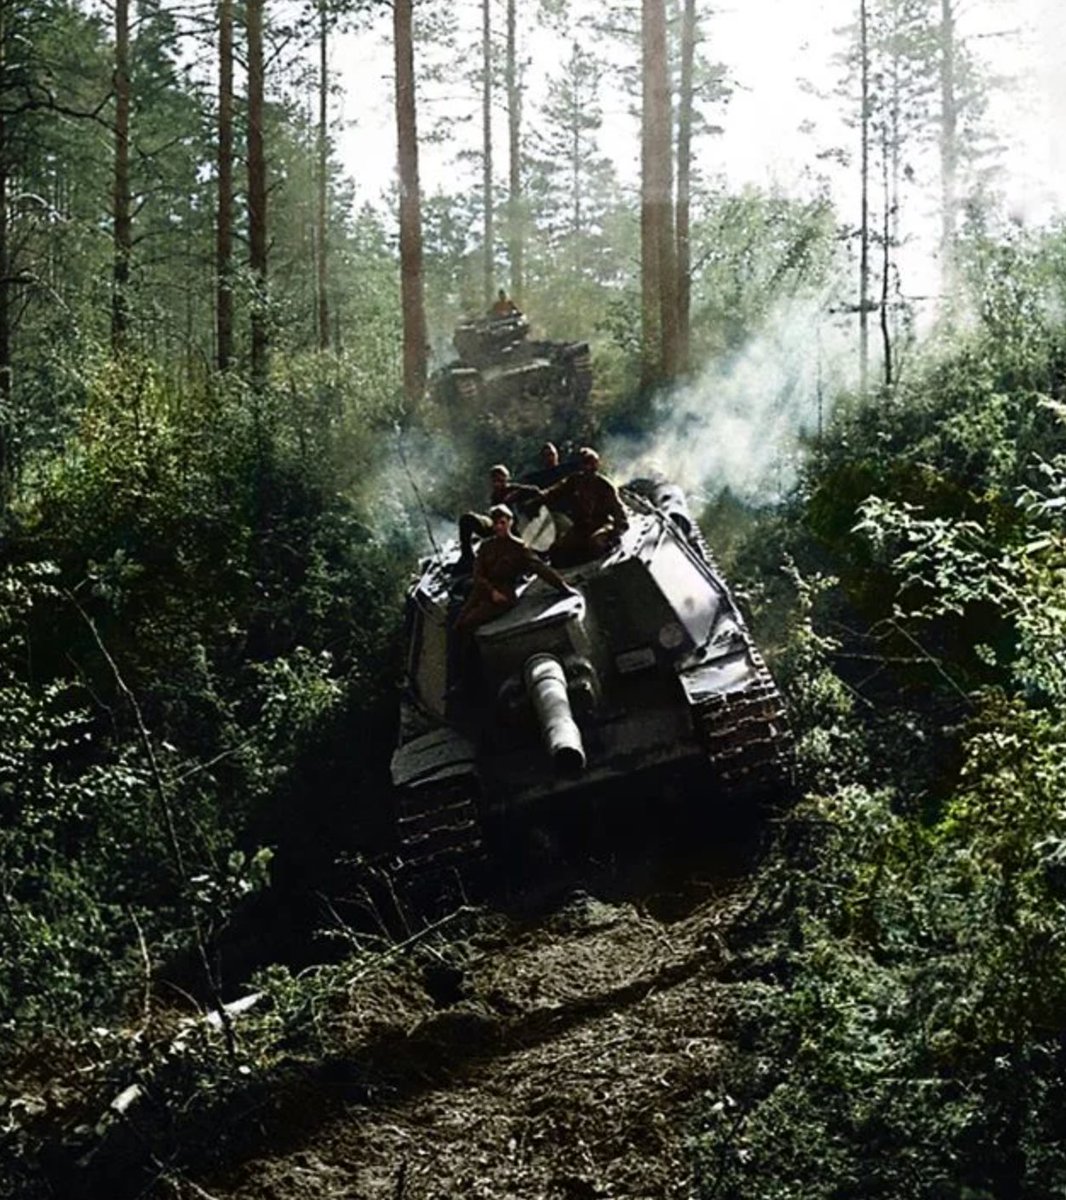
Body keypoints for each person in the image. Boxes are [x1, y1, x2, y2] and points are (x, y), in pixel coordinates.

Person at [454, 504, 576, 633]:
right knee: (457, 623)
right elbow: (478, 575)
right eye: (496, 524)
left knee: (469, 622)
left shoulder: (519, 548)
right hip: (482, 592)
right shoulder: (486, 546)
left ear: (510, 522)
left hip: (503, 595)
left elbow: (541, 569)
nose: (499, 527)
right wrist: (490, 591)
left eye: (502, 523)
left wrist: (564, 588)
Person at [541, 446, 630, 567]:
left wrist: (615, 531)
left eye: (591, 463)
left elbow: (619, 513)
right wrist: (537, 496)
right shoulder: (573, 481)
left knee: (596, 542)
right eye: (585, 464)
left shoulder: (604, 485)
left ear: (596, 464)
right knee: (557, 550)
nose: (588, 467)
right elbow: (554, 492)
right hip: (581, 527)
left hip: (602, 523)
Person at [454, 464, 545, 574]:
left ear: (506, 478)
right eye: (495, 480)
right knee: (467, 519)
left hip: (511, 529)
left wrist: (516, 496)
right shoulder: (494, 495)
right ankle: (467, 556)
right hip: (494, 526)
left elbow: (535, 490)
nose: (497, 483)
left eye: (500, 479)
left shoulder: (512, 489)